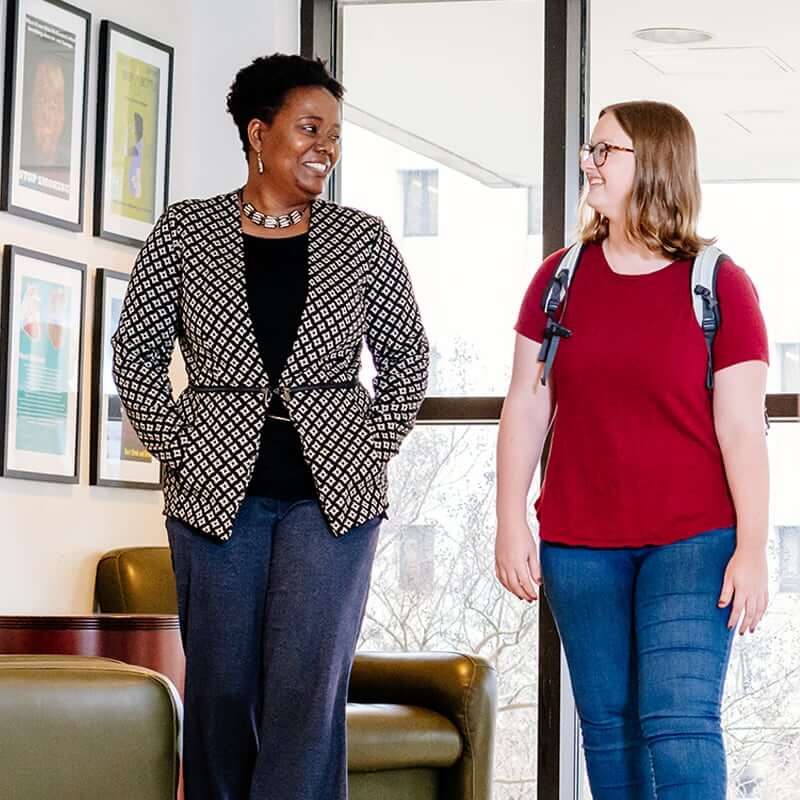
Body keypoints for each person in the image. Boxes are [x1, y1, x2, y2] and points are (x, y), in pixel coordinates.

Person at [112, 53, 429, 800]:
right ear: (259, 133)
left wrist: (367, 445)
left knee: (305, 694)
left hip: (334, 500)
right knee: (221, 692)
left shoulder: (364, 239)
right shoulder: (185, 232)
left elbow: (407, 359)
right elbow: (135, 355)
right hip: (214, 497)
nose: (327, 147)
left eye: (335, 134)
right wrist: (182, 447)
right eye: (310, 129)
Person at [495, 100, 769, 800]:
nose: (588, 163)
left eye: (604, 151)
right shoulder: (558, 280)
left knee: (680, 723)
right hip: (579, 545)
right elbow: (526, 403)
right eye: (590, 149)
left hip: (694, 542)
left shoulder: (720, 285)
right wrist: (509, 519)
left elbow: (743, 428)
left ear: (654, 164)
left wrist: (753, 547)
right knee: (610, 732)